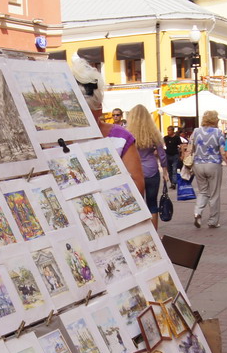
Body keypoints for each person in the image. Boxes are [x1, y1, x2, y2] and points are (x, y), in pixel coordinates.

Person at [69, 56, 145, 197]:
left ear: (99, 109)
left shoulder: (120, 137)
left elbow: (137, 184)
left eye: (86, 112)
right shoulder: (55, 139)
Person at [127, 105, 167, 229]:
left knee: (138, 205)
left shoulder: (128, 132)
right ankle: (154, 233)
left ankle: (141, 231)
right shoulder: (153, 132)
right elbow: (162, 154)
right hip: (152, 170)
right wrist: (165, 171)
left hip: (134, 171)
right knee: (152, 204)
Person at [188, 109, 226, 228]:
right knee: (214, 193)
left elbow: (189, 149)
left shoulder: (196, 131)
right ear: (215, 120)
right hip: (213, 164)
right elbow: (222, 151)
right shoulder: (218, 132)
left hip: (198, 164)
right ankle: (213, 221)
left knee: (203, 191)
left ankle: (197, 212)